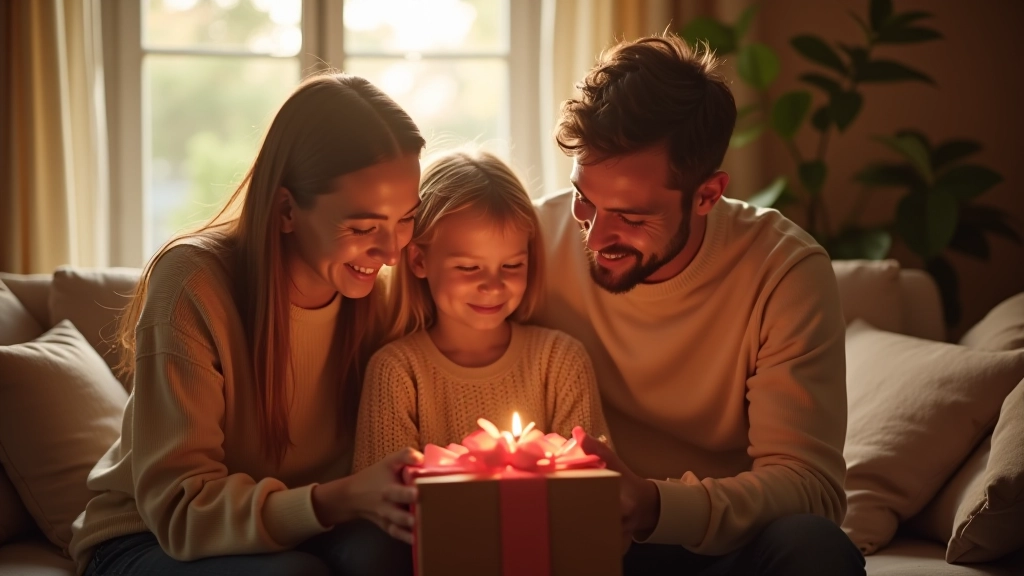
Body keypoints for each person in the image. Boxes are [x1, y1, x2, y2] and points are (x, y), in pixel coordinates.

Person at [69, 73, 428, 576]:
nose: (391, 251)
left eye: (406, 218)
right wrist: (337, 499)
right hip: (147, 538)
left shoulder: (379, 296)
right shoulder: (194, 284)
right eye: (363, 226)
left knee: (401, 551)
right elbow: (179, 512)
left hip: (307, 530)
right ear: (286, 210)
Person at [534, 34, 866, 575]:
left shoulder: (783, 270)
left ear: (708, 194)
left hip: (720, 544)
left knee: (814, 547)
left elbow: (811, 486)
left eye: (632, 217)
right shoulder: (529, 242)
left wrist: (654, 505)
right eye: (584, 200)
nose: (595, 237)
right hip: (574, 541)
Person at [352, 150, 609, 471]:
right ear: (419, 260)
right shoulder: (397, 372)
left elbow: (592, 484)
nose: (493, 286)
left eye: (511, 265)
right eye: (469, 267)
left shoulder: (560, 362)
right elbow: (382, 494)